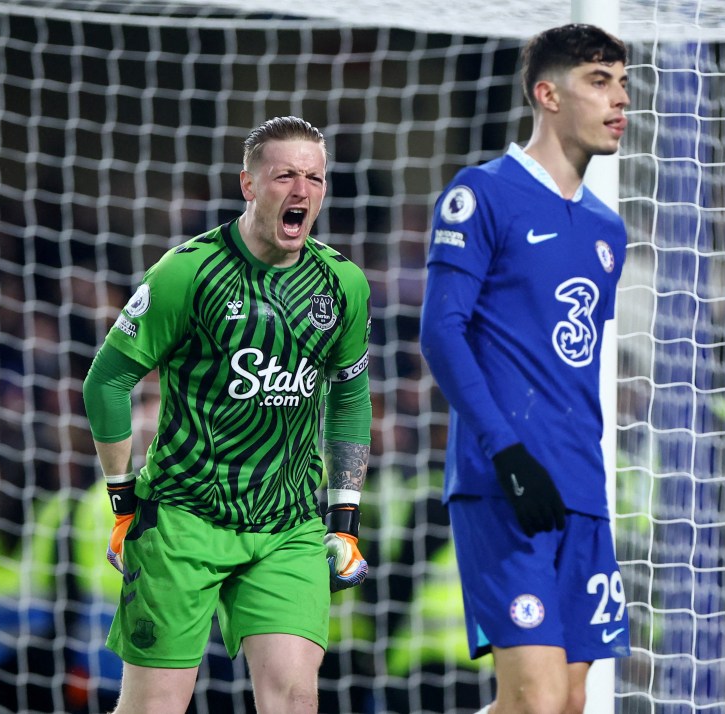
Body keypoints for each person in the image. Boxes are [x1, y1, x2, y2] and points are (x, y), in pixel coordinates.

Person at [82, 116, 373, 714]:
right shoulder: (187, 272)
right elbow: (107, 381)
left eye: (314, 177)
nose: (302, 190)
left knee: (295, 697)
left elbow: (350, 399)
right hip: (183, 518)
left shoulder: (342, 285)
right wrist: (121, 499)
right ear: (248, 185)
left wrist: (343, 518)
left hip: (287, 526)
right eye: (284, 175)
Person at [419, 24, 631, 714]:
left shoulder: (607, 230)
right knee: (537, 701)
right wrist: (505, 450)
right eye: (599, 82)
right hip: (503, 481)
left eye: (622, 82)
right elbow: (441, 333)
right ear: (547, 94)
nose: (619, 99)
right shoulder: (481, 194)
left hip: (582, 487)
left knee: (567, 705)